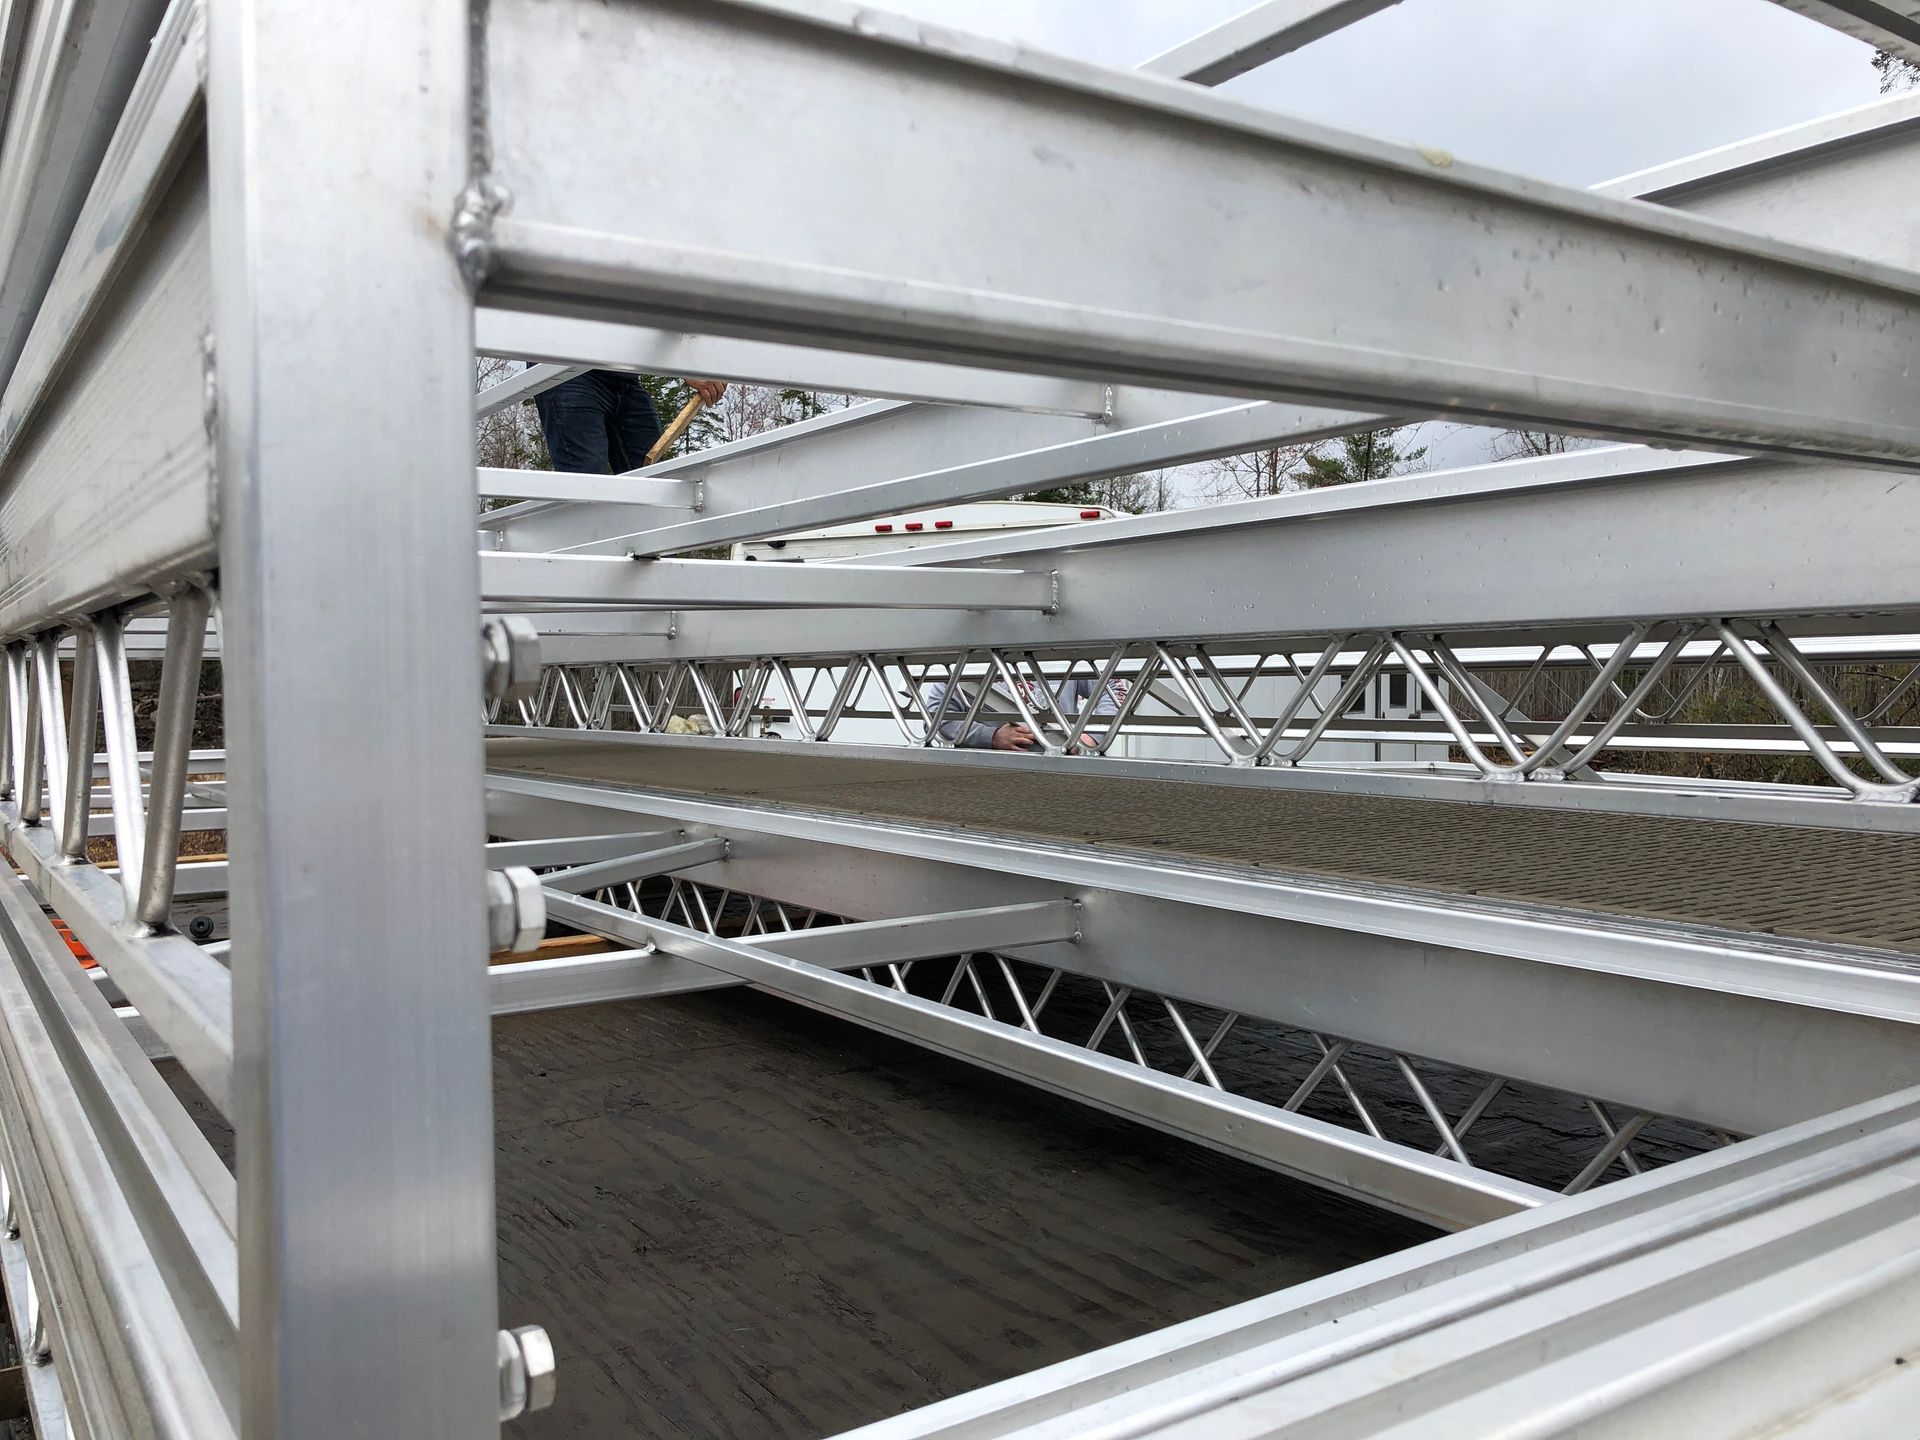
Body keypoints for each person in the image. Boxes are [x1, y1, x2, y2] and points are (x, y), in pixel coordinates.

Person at [533, 371, 727, 473]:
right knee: (587, 484)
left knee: (654, 479)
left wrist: (695, 359)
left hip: (624, 374)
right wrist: (685, 362)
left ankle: (654, 549)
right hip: (568, 368)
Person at [921, 675, 1127, 752]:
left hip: (1066, 772)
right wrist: (990, 737)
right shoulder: (969, 658)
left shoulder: (1060, 647)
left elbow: (1114, 686)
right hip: (991, 776)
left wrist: (1091, 737)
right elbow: (936, 720)